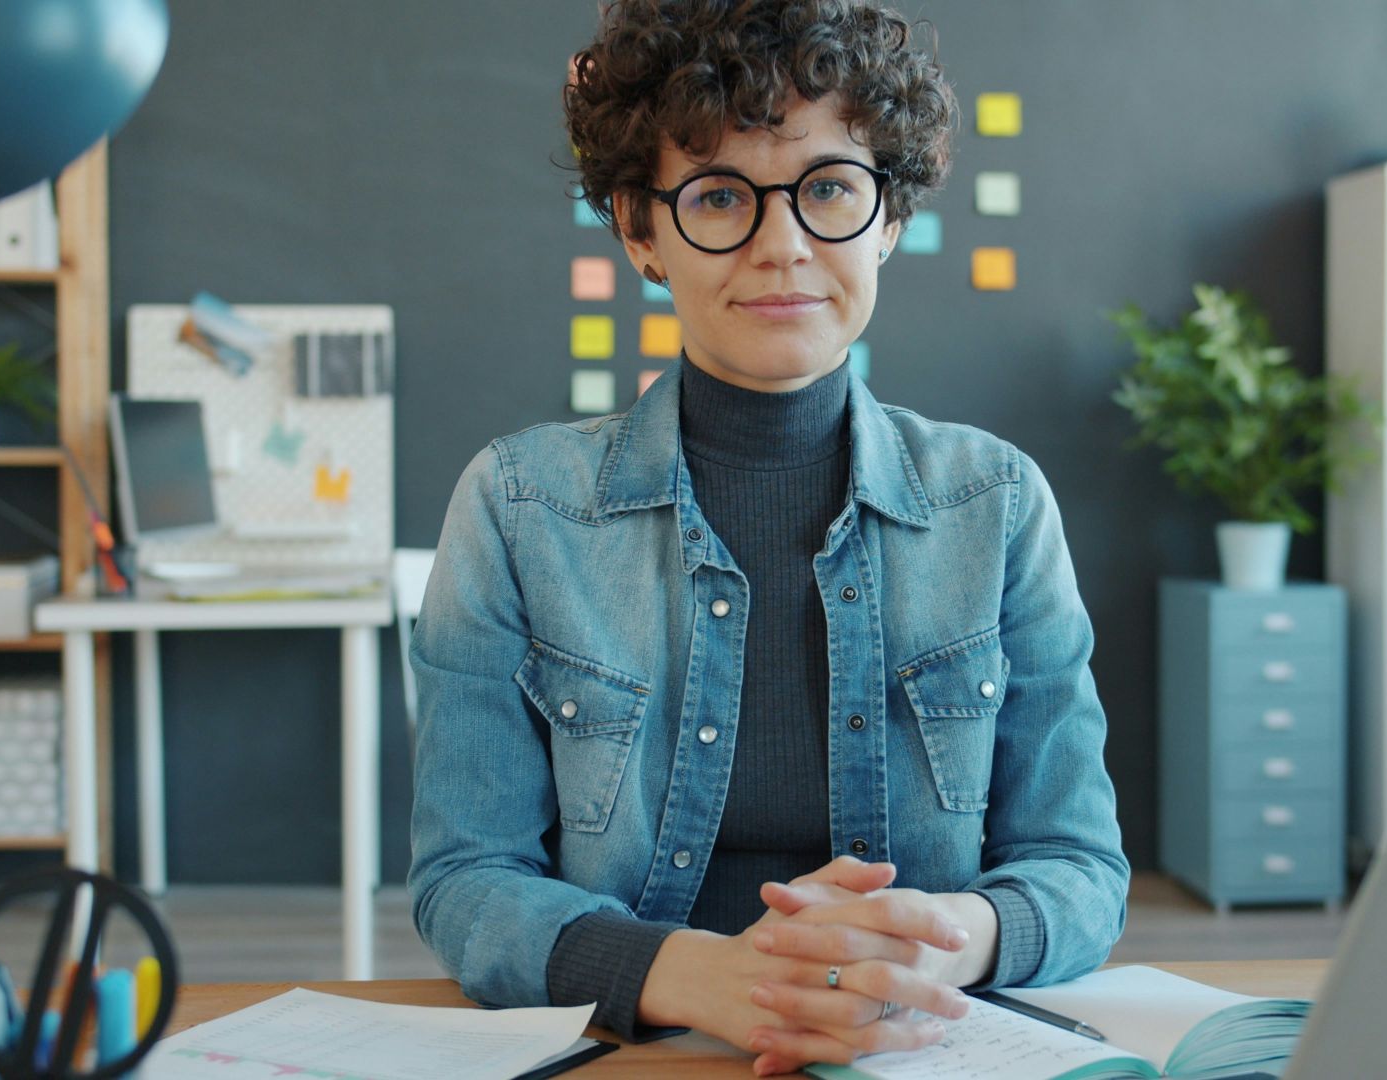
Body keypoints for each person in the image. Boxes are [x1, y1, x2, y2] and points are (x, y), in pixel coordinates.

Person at [407, 1, 1128, 1073]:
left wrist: (942, 944)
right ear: (639, 229)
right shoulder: (519, 505)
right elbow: (464, 879)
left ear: (888, 217)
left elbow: (1077, 866)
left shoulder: (999, 503)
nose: (783, 246)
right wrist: (699, 975)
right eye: (720, 197)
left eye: (829, 188)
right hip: (651, 1050)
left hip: (919, 1043)